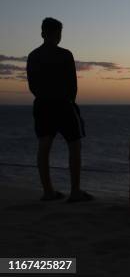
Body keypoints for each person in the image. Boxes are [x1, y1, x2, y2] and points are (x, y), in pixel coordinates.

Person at [26, 17, 93, 202]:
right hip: (63, 104)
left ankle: (48, 191)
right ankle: (75, 191)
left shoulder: (33, 56)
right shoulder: (65, 55)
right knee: (74, 145)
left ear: (42, 33)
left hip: (42, 105)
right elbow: (73, 85)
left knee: (44, 146)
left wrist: (44, 96)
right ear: (58, 34)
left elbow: (32, 85)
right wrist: (70, 101)